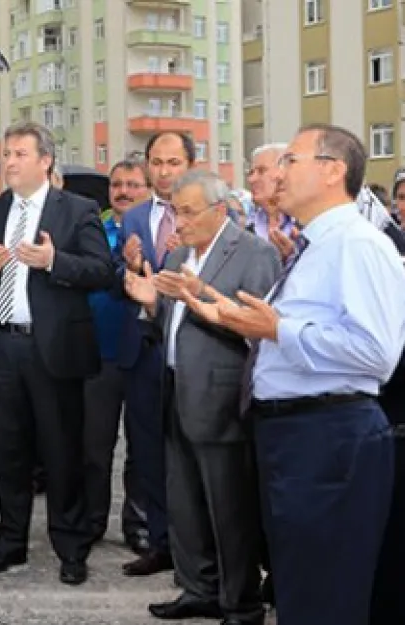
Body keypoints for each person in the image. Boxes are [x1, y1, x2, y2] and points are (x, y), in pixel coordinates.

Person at [182, 124, 405, 625]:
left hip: (329, 438)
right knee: (302, 587)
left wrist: (279, 328)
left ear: (332, 171)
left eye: (291, 161)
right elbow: (298, 337)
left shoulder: (357, 245)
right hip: (298, 436)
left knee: (325, 595)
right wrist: (239, 322)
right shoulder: (315, 246)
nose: (278, 174)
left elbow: (376, 354)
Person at [124, 170, 279, 625]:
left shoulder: (255, 253)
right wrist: (151, 303)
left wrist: (198, 301)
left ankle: (241, 603)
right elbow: (167, 326)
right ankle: (199, 589)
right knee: (186, 501)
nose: (178, 220)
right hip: (175, 390)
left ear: (220, 210)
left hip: (222, 397)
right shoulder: (179, 257)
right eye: (174, 210)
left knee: (229, 508)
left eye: (187, 211)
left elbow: (260, 332)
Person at [0, 121, 114, 585]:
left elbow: (101, 270)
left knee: (60, 451)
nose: (8, 162)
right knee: (7, 452)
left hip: (53, 349)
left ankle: (70, 547)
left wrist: (53, 262)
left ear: (45, 160)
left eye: (18, 154)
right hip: (2, 345)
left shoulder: (77, 209)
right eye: (5, 154)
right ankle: (10, 543)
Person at [118, 131, 196, 577]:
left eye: (173, 162)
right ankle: (160, 542)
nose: (164, 171)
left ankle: (197, 550)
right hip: (143, 350)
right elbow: (120, 279)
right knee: (148, 453)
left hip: (190, 352)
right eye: (157, 162)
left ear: (189, 164)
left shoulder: (209, 214)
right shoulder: (134, 218)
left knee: (192, 453)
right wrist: (127, 265)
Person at [83, 158, 151, 555]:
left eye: (133, 184)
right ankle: (92, 521)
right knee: (94, 446)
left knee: (141, 448)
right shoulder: (95, 230)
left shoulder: (162, 231)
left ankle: (138, 522)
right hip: (101, 353)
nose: (123, 191)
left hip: (144, 352)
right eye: (117, 185)